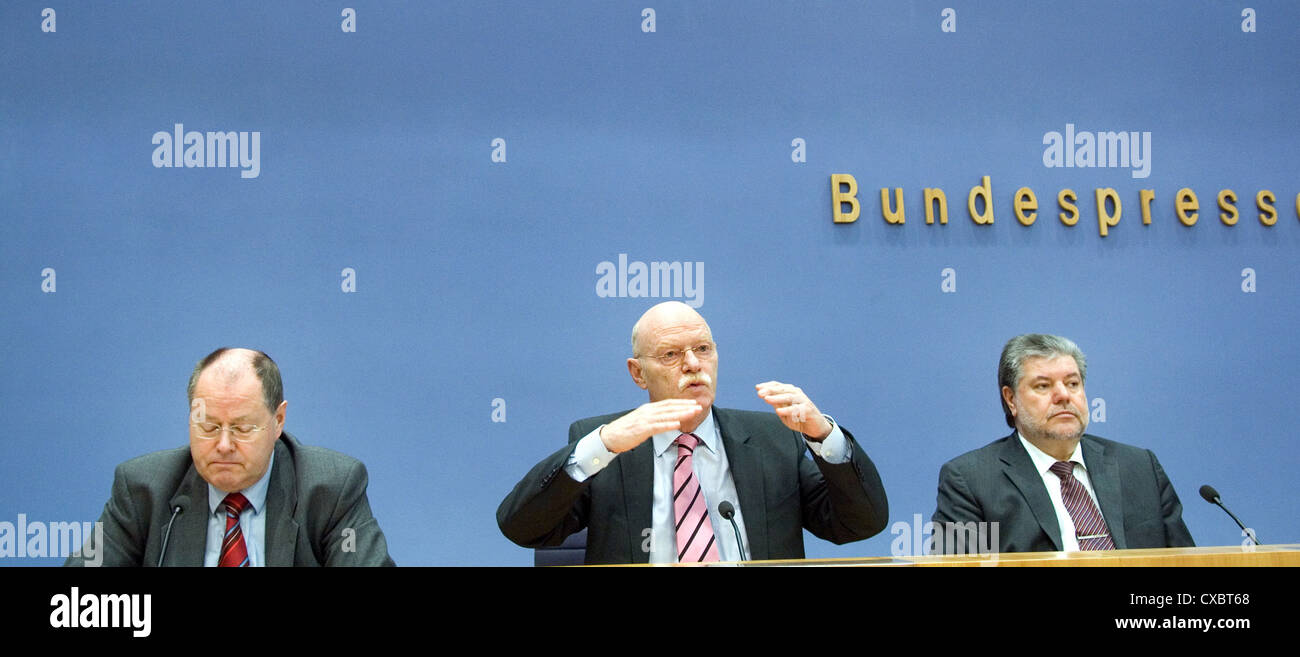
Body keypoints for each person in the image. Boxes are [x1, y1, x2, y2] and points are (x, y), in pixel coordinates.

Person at [497, 301, 888, 564]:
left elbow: (860, 524)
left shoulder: (771, 439)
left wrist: (822, 435)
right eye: (670, 355)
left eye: (703, 349)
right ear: (637, 373)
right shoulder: (608, 446)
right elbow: (523, 526)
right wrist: (601, 446)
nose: (692, 364)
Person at [66, 348, 394, 566]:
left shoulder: (329, 490)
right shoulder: (143, 491)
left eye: (241, 427)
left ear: (278, 421)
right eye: (208, 426)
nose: (224, 444)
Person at [931, 334, 1194, 554]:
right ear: (1011, 399)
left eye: (1072, 383)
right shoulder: (969, 479)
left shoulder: (1139, 466)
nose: (1063, 395)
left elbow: (1189, 562)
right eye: (1043, 386)